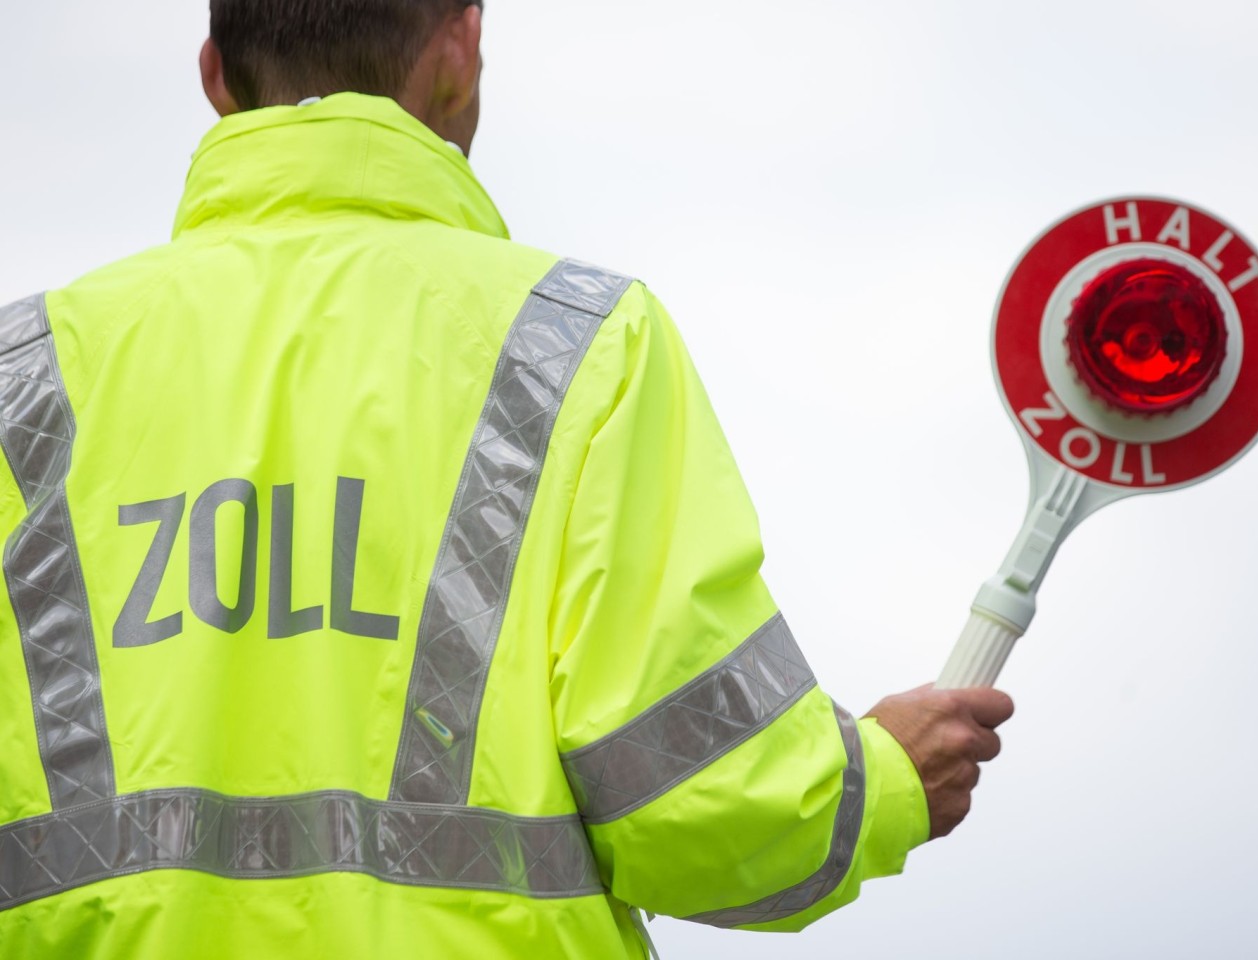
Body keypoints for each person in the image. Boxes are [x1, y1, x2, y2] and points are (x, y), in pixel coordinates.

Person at [0, 1, 1014, 956]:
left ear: (216, 76)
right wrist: (877, 781)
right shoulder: (575, 347)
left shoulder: (24, 377)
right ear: (458, 45)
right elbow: (699, 812)